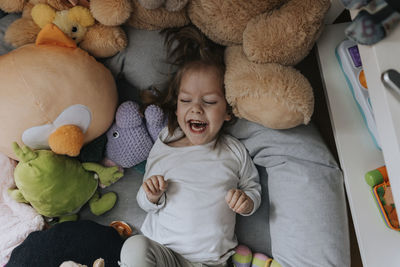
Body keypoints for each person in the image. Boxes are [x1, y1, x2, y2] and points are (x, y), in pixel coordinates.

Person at [119, 26, 262, 267]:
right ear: (176, 107)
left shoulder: (233, 150)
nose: (196, 108)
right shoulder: (166, 142)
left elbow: (252, 187)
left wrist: (247, 201)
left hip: (210, 261)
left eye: (209, 101)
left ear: (227, 111)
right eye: (186, 100)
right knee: (134, 247)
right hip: (165, 254)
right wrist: (151, 195)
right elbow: (144, 201)